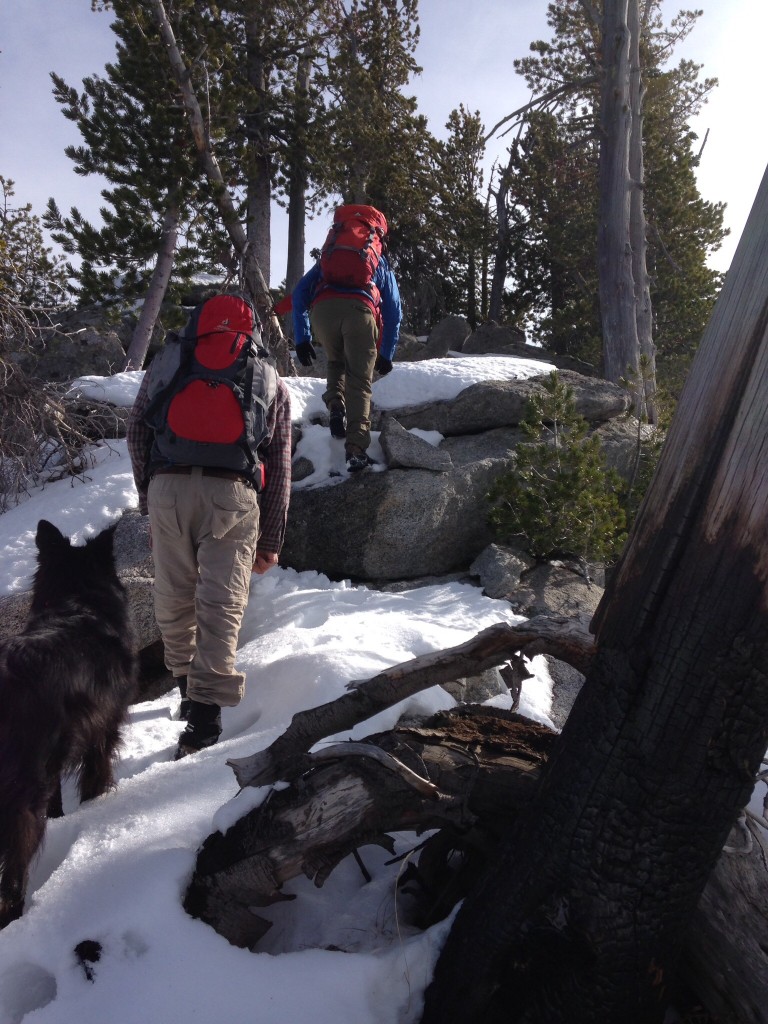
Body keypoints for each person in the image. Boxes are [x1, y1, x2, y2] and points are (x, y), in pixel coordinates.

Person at [127, 306, 292, 760]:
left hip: (169, 488)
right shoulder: (267, 374)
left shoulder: (171, 360)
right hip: (232, 495)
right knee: (221, 604)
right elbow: (278, 462)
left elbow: (137, 433)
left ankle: (186, 686)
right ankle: (203, 723)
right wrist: (272, 539)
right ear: (251, 332)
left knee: (174, 595)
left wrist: (152, 500)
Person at [291, 209, 402, 473]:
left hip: (323, 313)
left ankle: (336, 405)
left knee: (335, 360)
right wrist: (387, 352)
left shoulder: (328, 259)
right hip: (359, 314)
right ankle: (355, 449)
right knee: (360, 383)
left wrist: (302, 337)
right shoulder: (378, 262)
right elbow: (393, 311)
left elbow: (299, 294)